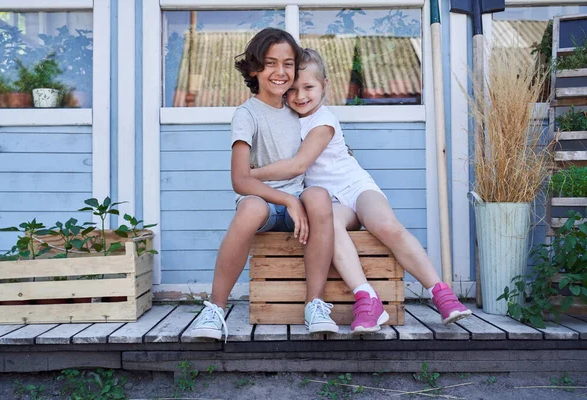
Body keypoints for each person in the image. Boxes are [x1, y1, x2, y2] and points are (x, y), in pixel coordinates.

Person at [250, 49, 472, 331]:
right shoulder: (285, 122)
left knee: (386, 225)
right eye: (292, 89)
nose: (300, 95)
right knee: (328, 224)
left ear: (325, 86)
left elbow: (298, 164)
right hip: (329, 201)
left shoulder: (324, 120)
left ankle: (441, 293)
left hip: (356, 187)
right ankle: (366, 297)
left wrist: (250, 174)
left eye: (308, 87)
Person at [189, 30, 339, 341]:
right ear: (254, 68)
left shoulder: (298, 106)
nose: (281, 72)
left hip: (299, 199)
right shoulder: (247, 115)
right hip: (266, 202)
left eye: (288, 64)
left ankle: (315, 304)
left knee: (320, 196)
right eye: (271, 63)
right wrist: (288, 200)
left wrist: (297, 198)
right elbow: (240, 180)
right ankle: (215, 308)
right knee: (250, 209)